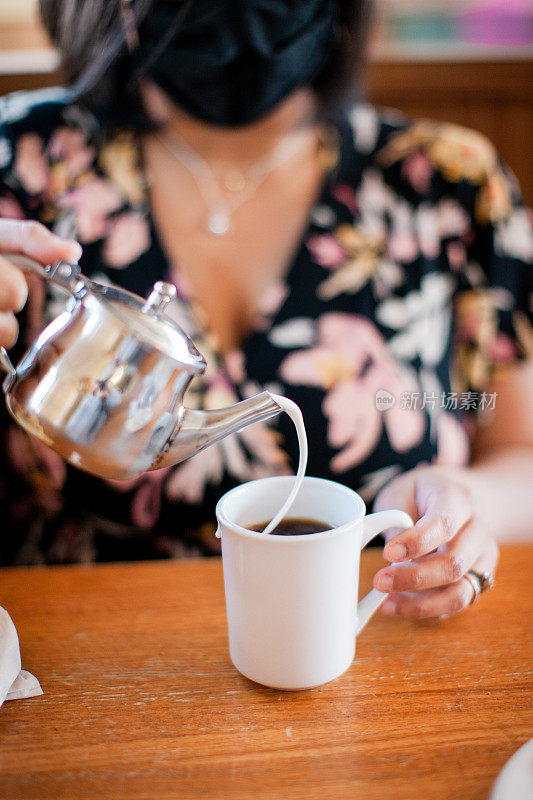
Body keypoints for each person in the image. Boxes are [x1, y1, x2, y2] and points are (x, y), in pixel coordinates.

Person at [0, 0, 531, 619]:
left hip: (370, 656)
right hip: (73, 660)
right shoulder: (23, 164)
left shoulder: (450, 185)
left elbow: (520, 451)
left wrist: (470, 504)